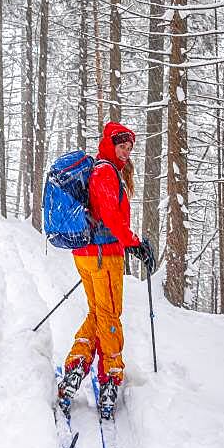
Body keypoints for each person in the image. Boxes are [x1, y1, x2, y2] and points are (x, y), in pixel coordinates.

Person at [58, 121, 154, 417]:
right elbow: (112, 217)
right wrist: (135, 243)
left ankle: (77, 365)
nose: (125, 152)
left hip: (88, 254)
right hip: (103, 256)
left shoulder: (103, 170)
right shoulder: (105, 172)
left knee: (99, 312)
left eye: (128, 147)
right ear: (109, 144)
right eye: (121, 146)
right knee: (110, 314)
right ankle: (111, 376)